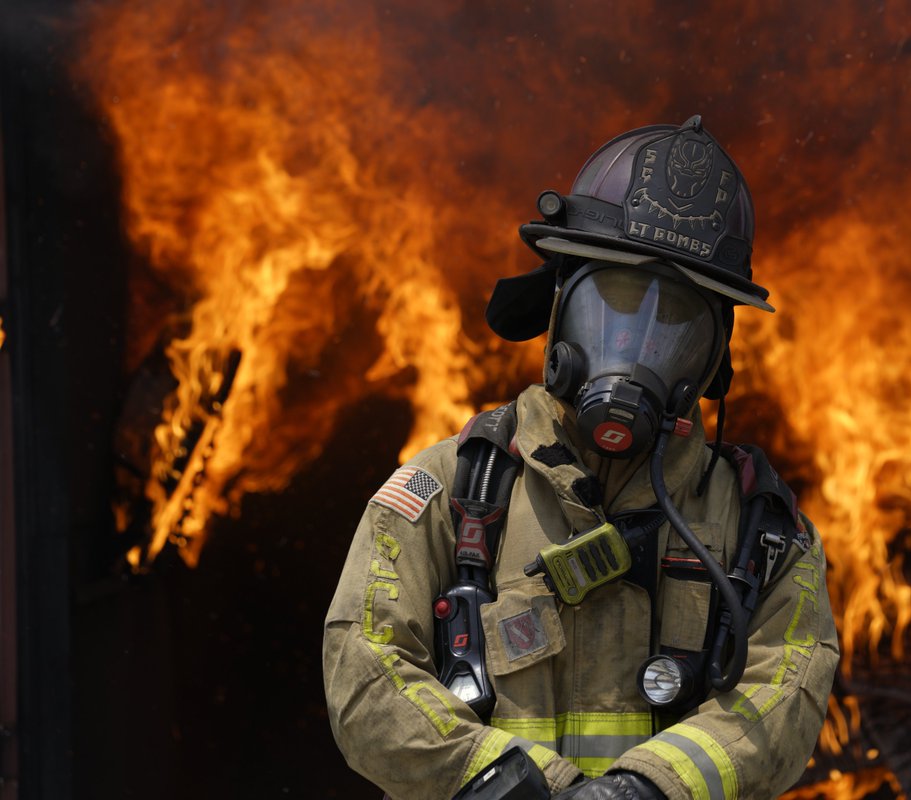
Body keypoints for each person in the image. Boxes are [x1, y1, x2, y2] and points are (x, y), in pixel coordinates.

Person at [323, 116, 840, 800]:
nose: (637, 345)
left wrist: (647, 789)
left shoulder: (762, 533)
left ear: (710, 360)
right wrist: (511, 785)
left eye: (677, 324)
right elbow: (364, 672)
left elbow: (786, 694)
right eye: (615, 306)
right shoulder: (446, 492)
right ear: (559, 310)